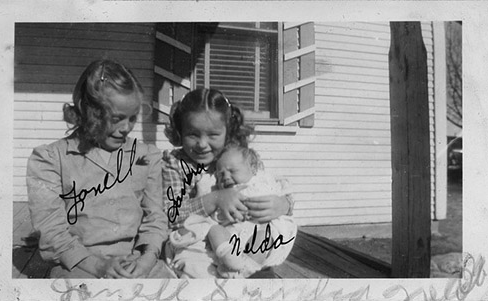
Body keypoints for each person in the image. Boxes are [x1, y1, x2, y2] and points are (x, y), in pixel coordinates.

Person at [27, 59, 172, 279]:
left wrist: (147, 258)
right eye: (116, 119)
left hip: (136, 261)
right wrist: (97, 266)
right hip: (80, 265)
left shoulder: (145, 156)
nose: (126, 128)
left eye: (132, 118)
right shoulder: (51, 159)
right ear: (90, 112)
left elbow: (155, 218)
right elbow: (52, 232)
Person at [162, 88, 295, 278]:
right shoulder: (176, 165)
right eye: (192, 134)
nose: (202, 144)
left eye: (213, 135)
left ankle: (247, 270)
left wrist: (284, 204)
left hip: (241, 238)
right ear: (180, 131)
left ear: (228, 131)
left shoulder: (232, 156)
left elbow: (266, 182)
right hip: (199, 243)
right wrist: (215, 199)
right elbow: (171, 214)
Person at [169, 144, 297, 278]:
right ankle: (229, 261)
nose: (225, 177)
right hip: (230, 234)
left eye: (232, 171)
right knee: (214, 230)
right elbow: (211, 213)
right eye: (220, 174)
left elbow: (283, 191)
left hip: (255, 229)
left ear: (253, 169)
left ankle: (246, 269)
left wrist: (285, 202)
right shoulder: (217, 190)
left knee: (264, 236)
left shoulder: (262, 181)